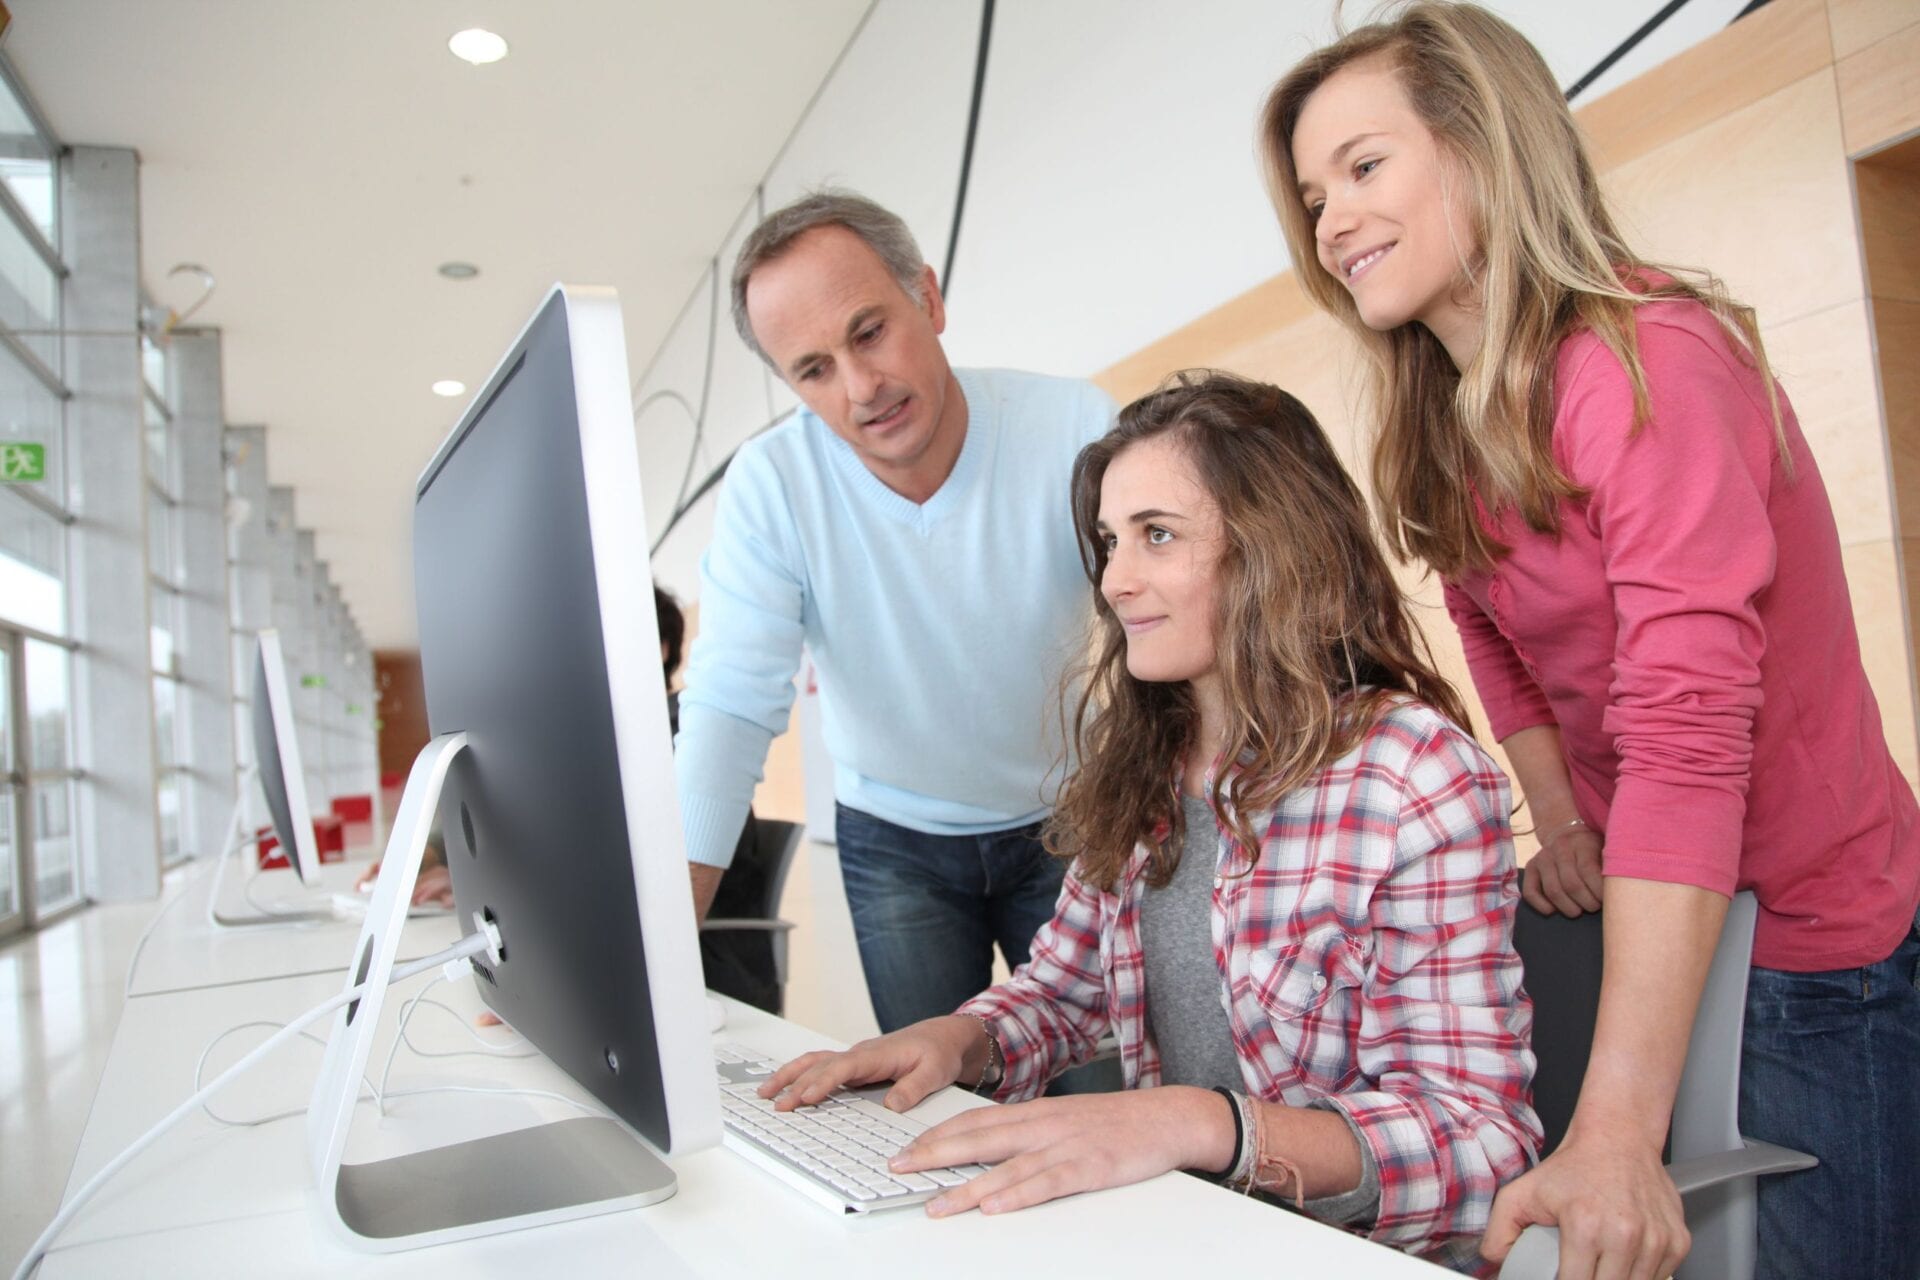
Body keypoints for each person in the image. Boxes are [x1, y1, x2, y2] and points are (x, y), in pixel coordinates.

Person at [1262, 6, 1920, 1278]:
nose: (1331, 222)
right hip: (1658, 899)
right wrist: (1561, 811)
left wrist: (1615, 1127)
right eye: (1312, 196)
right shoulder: (1453, 418)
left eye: (1363, 166)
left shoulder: (1647, 364)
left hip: (1808, 929)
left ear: (1486, 146)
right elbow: (1489, 622)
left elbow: (1688, 734)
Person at [759, 372, 1540, 1273]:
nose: (1115, 581)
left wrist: (1200, 1124)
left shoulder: (1412, 775)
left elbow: (1480, 1144)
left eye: (1156, 536)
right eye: (1108, 542)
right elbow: (1062, 991)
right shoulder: (1146, 764)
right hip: (1184, 1241)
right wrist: (957, 1040)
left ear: (1275, 546)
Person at [675, 189, 1115, 1033]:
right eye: (813, 370)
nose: (862, 388)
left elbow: (1165, 626)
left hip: (1075, 815)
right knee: (933, 1085)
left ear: (929, 298)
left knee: (1096, 1080)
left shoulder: (1076, 428)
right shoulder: (773, 484)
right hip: (895, 839)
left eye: (869, 331)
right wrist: (666, 937)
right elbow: (730, 700)